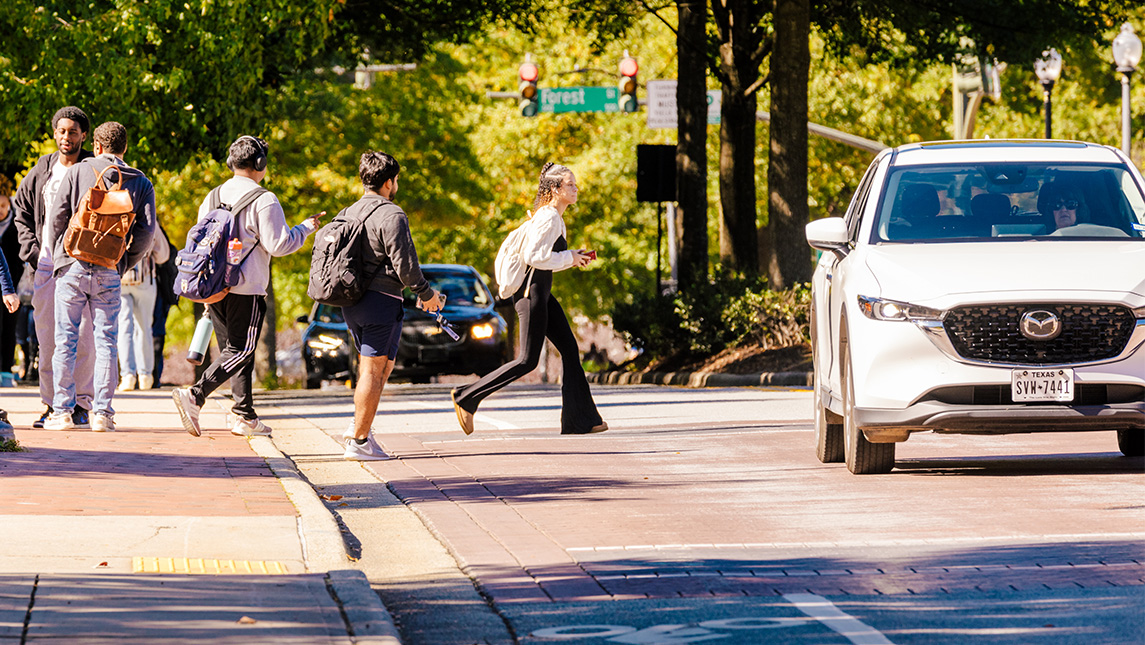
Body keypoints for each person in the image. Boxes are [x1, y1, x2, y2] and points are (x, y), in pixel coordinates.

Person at [172, 135, 322, 437]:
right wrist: (305, 228)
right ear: (260, 164)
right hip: (246, 288)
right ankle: (195, 395)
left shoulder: (212, 196)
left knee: (235, 350)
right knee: (241, 350)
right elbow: (279, 244)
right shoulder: (263, 199)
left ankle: (244, 415)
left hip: (214, 288)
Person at [450, 163, 606, 436]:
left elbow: (542, 260)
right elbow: (534, 257)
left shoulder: (553, 217)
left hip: (540, 291)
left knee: (570, 349)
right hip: (530, 293)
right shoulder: (548, 217)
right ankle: (467, 396)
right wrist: (568, 256)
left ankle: (581, 421)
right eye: (570, 184)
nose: (576, 188)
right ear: (556, 189)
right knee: (527, 360)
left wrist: (572, 257)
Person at [43, 121, 156, 432]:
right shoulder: (140, 181)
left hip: (73, 264)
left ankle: (62, 412)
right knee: (106, 340)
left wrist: (58, 257)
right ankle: (102, 414)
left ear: (96, 146)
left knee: (65, 339)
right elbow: (147, 232)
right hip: (109, 267)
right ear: (124, 148)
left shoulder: (79, 170)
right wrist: (123, 262)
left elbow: (58, 216)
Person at [335, 151, 441, 461]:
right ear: (388, 182)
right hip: (381, 301)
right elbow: (406, 265)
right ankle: (358, 440)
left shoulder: (347, 212)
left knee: (380, 368)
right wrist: (426, 293)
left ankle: (359, 426)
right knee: (372, 369)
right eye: (396, 180)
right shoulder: (391, 214)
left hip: (351, 302)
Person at [11, 106, 98, 428]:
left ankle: (81, 404)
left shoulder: (92, 168)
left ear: (84, 136)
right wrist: (32, 251)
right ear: (55, 133)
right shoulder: (43, 169)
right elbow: (20, 210)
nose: (66, 137)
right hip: (45, 267)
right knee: (47, 339)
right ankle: (51, 404)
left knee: (84, 338)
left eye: (73, 132)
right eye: (61, 131)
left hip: (83, 267)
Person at [116, 224, 170, 391]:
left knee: (124, 327)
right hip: (144, 279)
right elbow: (163, 256)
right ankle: (145, 375)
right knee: (144, 327)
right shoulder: (149, 220)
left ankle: (127, 376)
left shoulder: (116, 215)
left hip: (120, 278)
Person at [0, 191, 24, 384]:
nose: (0, 211)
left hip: (11, 286)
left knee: (9, 328)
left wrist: (9, 289)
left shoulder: (15, 227)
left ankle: (6, 371)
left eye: (3, 206)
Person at [151, 222, 179, 384]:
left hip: (157, 290)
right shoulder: (157, 229)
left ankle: (149, 375)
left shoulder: (151, 225)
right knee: (155, 334)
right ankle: (153, 376)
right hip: (161, 291)